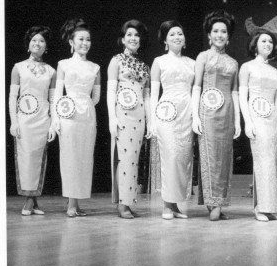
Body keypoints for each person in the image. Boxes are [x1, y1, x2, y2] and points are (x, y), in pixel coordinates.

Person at [191, 10, 240, 221]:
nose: (219, 34)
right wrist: (195, 116)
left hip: (227, 113)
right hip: (208, 113)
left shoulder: (233, 63)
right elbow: (196, 87)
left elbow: (235, 93)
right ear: (209, 35)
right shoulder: (202, 57)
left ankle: (219, 202)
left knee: (224, 159)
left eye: (223, 31)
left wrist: (238, 120)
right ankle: (213, 204)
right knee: (210, 156)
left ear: (228, 36)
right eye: (215, 31)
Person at [51, 18, 101, 218]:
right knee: (70, 157)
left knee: (84, 158)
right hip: (67, 114)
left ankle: (77, 203)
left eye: (88, 39)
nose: (85, 43)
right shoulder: (63, 64)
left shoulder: (95, 67)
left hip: (87, 115)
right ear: (71, 41)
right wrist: (57, 117)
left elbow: (96, 97)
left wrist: (85, 104)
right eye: (80, 39)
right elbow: (57, 93)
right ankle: (71, 204)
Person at [149, 20, 195, 220]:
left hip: (187, 112)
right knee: (171, 156)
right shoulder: (159, 61)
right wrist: (152, 120)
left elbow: (195, 92)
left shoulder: (192, 63)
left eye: (180, 34)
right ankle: (167, 204)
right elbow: (154, 94)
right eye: (172, 34)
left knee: (183, 158)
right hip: (166, 111)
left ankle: (176, 205)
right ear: (165, 40)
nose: (177, 37)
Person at [9, 25, 56, 216]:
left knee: (38, 159)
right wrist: (13, 121)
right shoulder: (18, 67)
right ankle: (28, 200)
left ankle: (34, 201)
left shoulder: (51, 71)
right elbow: (13, 97)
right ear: (28, 44)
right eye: (34, 40)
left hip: (42, 120)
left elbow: (53, 100)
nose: (37, 43)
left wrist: (53, 123)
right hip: (24, 120)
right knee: (25, 157)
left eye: (42, 41)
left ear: (46, 47)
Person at [239, 29, 277, 221]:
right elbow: (242, 96)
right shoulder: (247, 67)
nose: (268, 44)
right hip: (257, 118)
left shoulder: (275, 70)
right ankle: (259, 207)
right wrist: (248, 122)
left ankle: (270, 207)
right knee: (261, 162)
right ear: (255, 44)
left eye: (270, 42)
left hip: (272, 119)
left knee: (271, 162)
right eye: (263, 41)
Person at [107, 20, 151, 219]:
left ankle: (129, 201)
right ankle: (122, 204)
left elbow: (147, 96)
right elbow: (110, 91)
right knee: (124, 159)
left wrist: (150, 121)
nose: (133, 38)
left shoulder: (144, 66)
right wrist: (111, 118)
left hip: (139, 117)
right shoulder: (116, 61)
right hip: (122, 116)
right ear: (123, 39)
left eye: (137, 35)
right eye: (130, 35)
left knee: (133, 160)